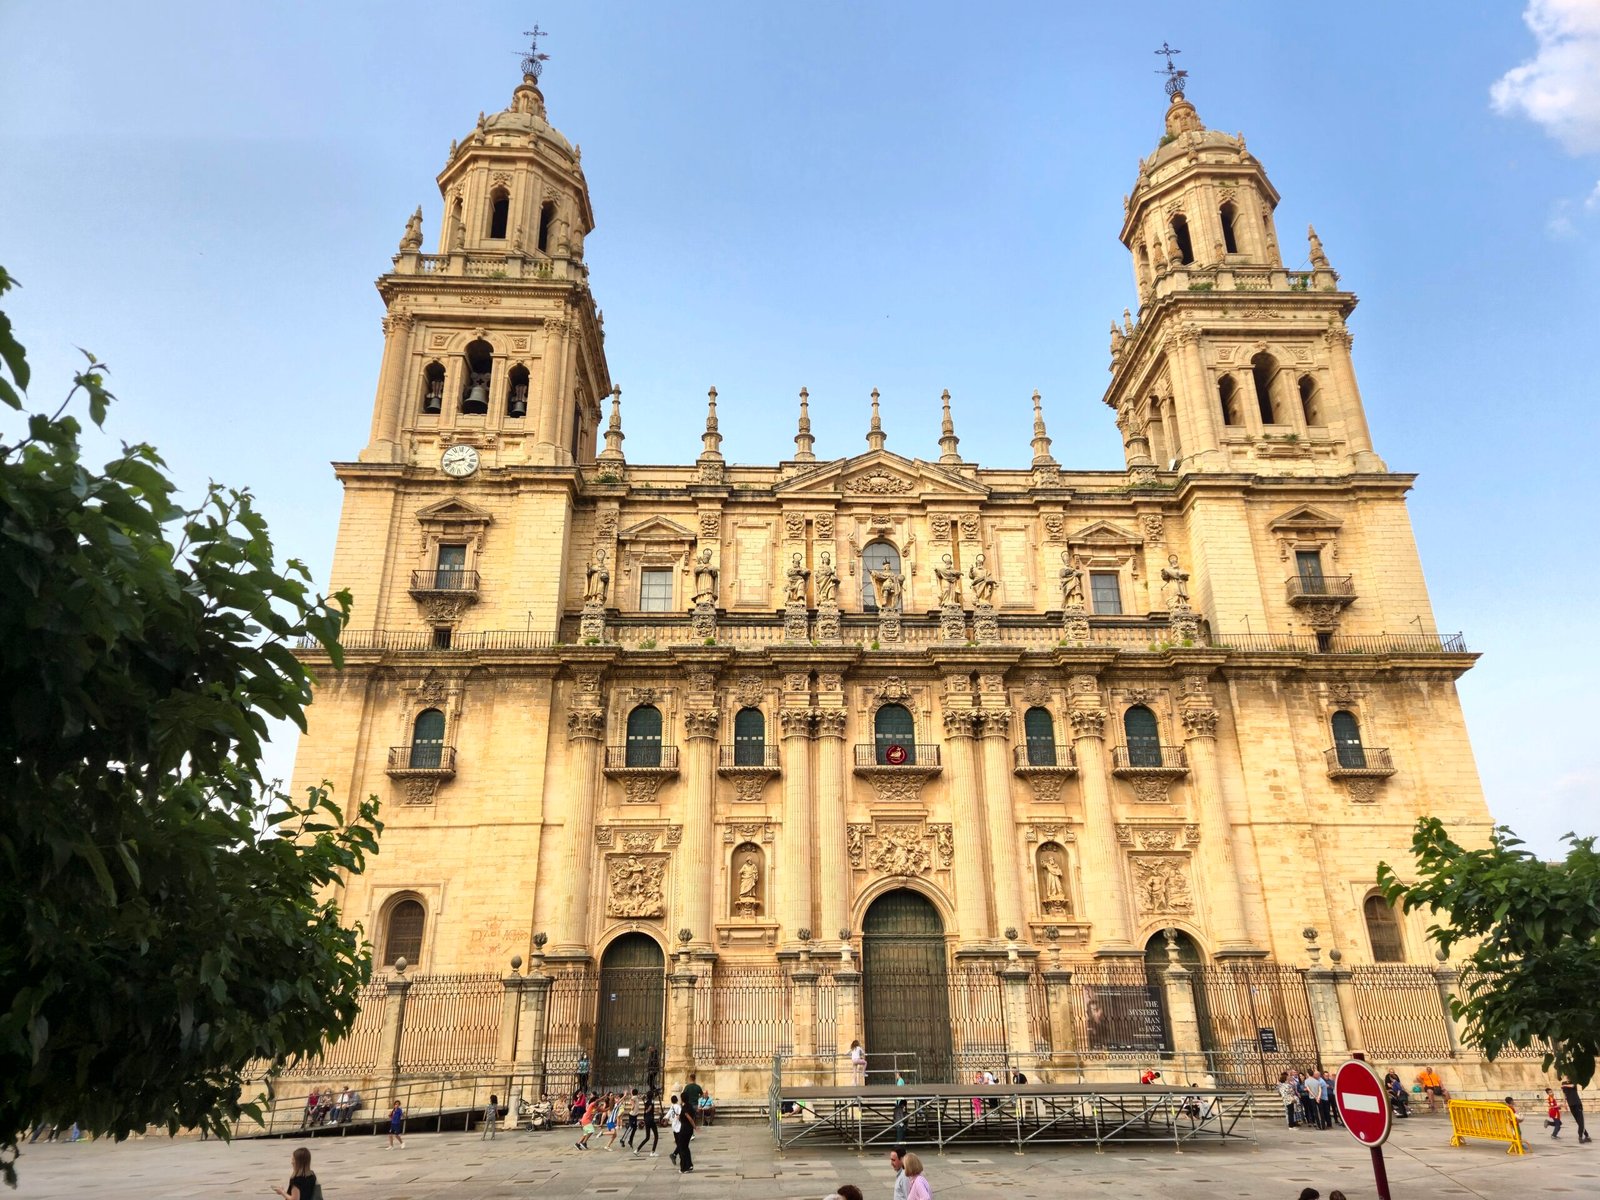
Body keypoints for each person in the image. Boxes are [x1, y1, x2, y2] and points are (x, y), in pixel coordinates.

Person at [1560, 1077, 1591, 1143]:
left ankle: (1580, 1137)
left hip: (1577, 1104)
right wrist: (1564, 1103)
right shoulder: (1563, 1083)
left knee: (1581, 1121)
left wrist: (1564, 1085)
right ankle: (1587, 1136)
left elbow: (1573, 1086)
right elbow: (1564, 1094)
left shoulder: (1573, 1081)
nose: (1568, 1077)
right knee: (1578, 1122)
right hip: (1571, 1105)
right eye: (1567, 1075)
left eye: (1569, 1075)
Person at [671, 1093, 696, 1173]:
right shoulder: (690, 1106)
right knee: (686, 1147)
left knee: (682, 1148)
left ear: (682, 1099)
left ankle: (684, 1168)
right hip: (689, 1130)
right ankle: (690, 1165)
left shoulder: (685, 1108)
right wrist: (694, 1127)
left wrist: (695, 1126)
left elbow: (689, 1118)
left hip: (684, 1129)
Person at [636, 1089, 660, 1157]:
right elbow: (650, 1106)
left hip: (646, 1119)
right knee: (656, 1136)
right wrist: (648, 1110)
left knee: (647, 1137)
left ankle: (637, 1150)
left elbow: (643, 1098)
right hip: (651, 1120)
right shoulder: (651, 1102)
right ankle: (652, 1152)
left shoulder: (645, 1101)